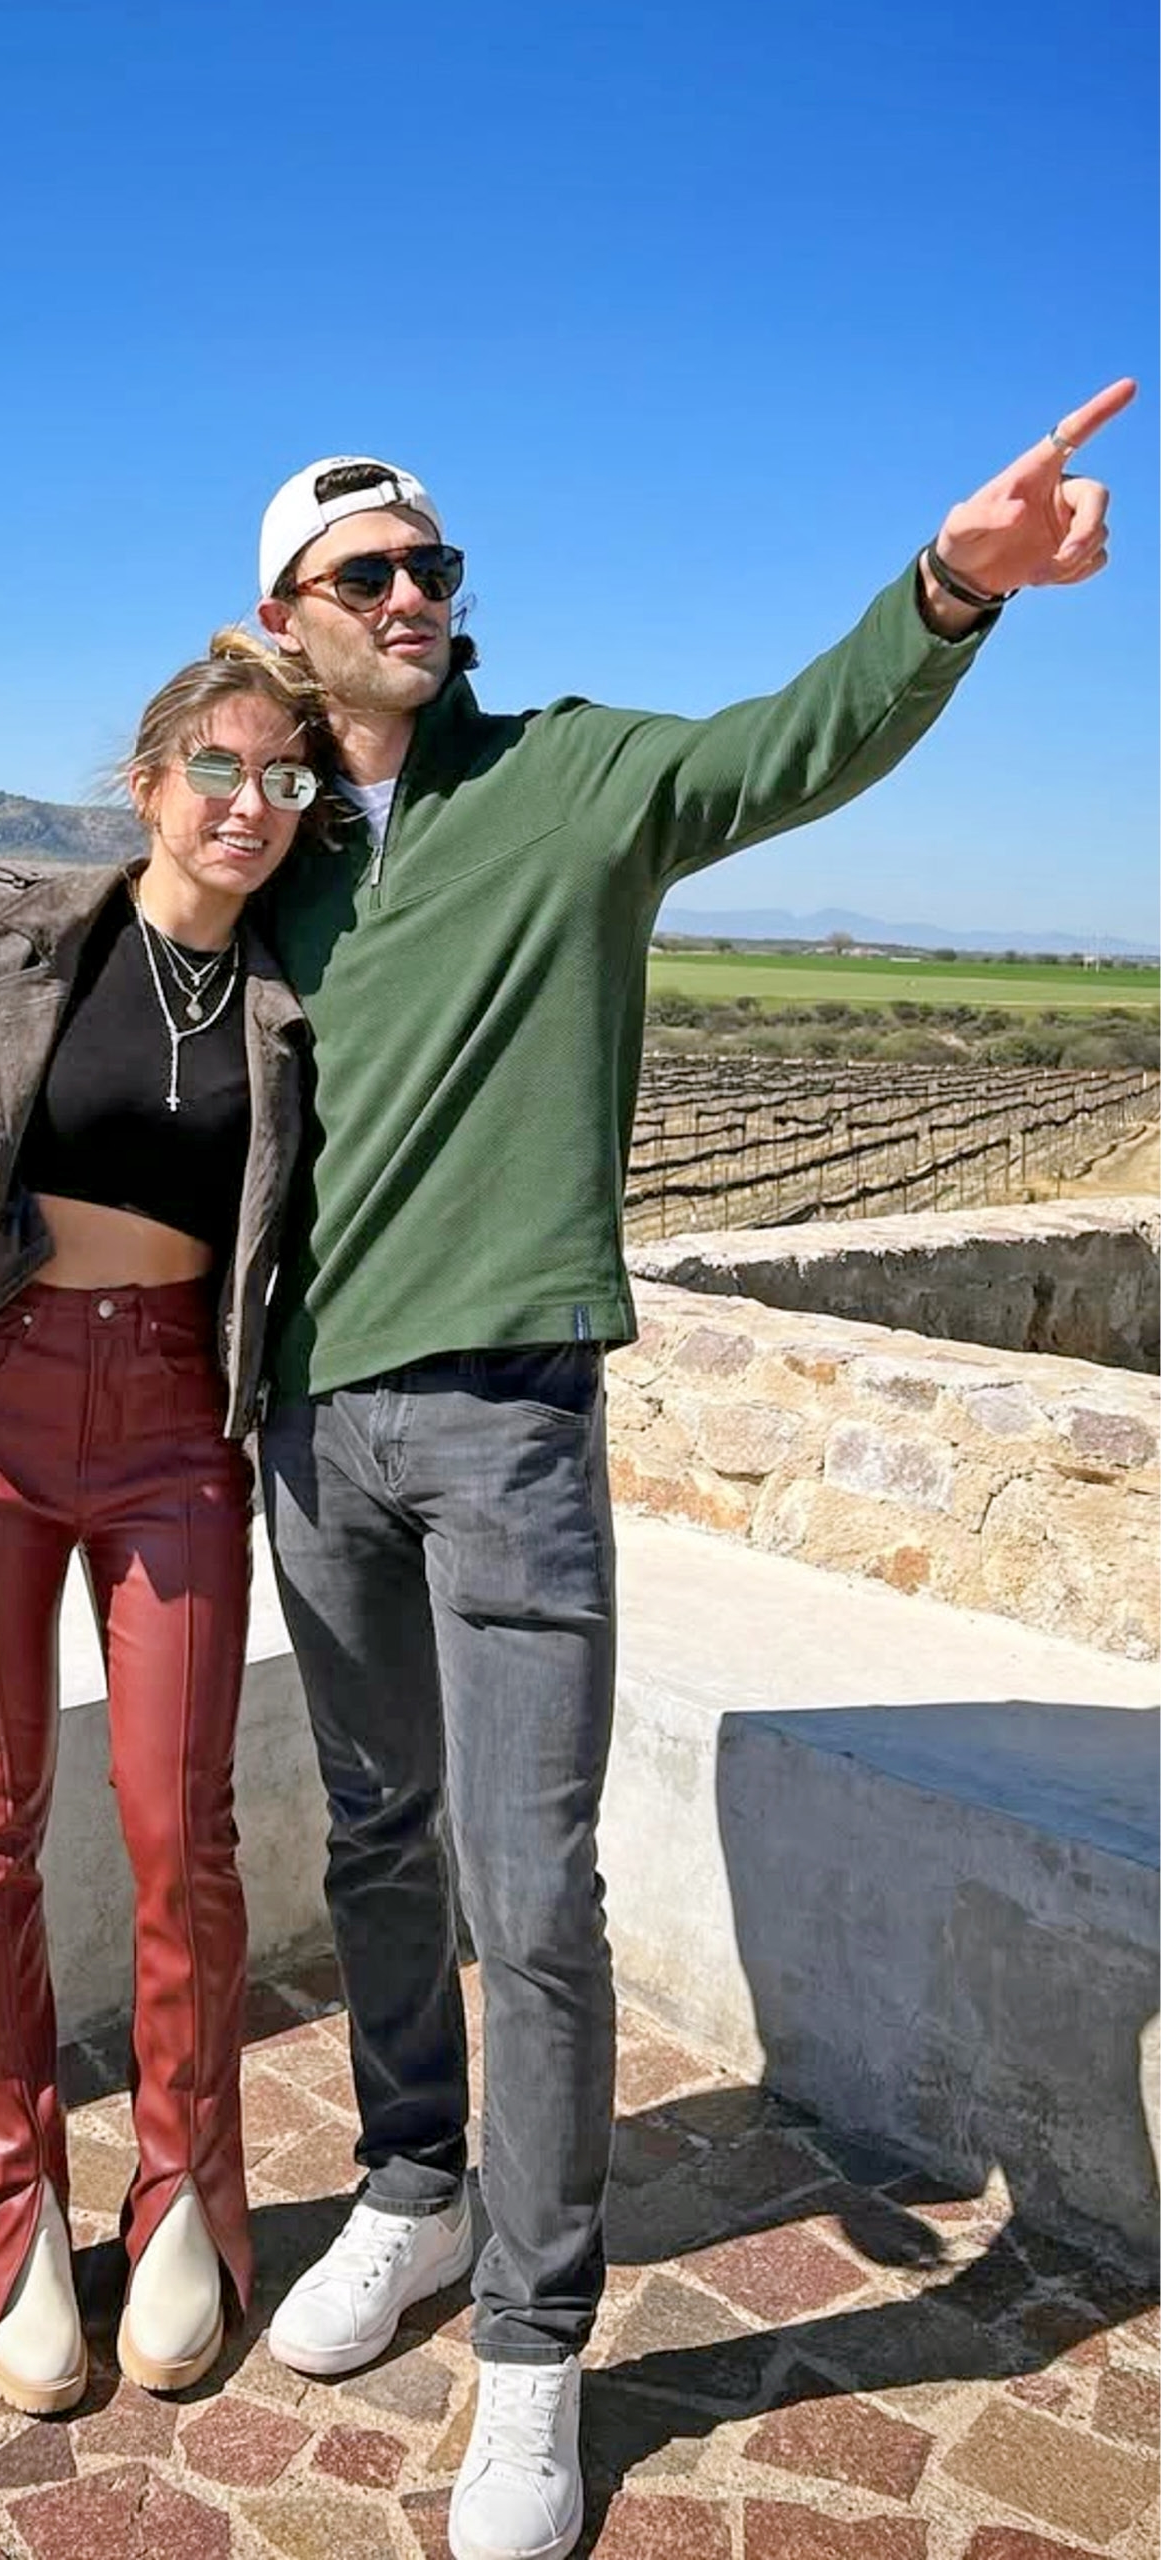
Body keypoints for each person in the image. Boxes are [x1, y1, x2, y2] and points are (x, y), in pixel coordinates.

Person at [249, 382, 1133, 2560]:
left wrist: (949, 592)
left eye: (433, 563)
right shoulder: (265, 836)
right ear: (284, 616)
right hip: (306, 1425)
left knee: (531, 1892)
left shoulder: (573, 775)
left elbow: (788, 743)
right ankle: (412, 2185)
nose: (411, 594)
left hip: (507, 1420)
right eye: (367, 572)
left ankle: (534, 2350)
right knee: (375, 1840)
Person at [0, 633, 330, 2414]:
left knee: (183, 1827)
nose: (251, 803)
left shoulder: (298, 989)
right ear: (149, 780)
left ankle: (186, 2189)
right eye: (221, 767)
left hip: (179, 1419)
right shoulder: (16, 927)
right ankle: (15, 2210)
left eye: (286, 777)